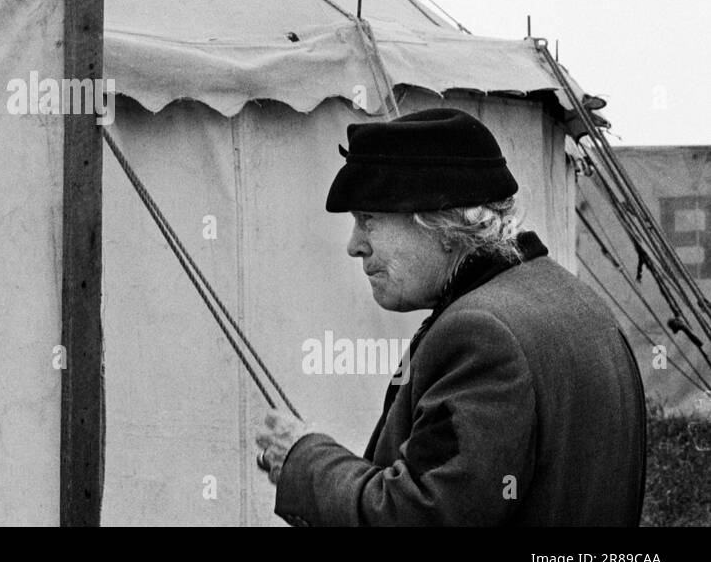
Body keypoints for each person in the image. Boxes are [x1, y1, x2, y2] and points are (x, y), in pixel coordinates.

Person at [255, 107, 646, 526]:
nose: (355, 246)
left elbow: (418, 515)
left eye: (368, 219)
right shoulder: (573, 299)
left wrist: (302, 459)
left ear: (438, 224)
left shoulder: (483, 334)